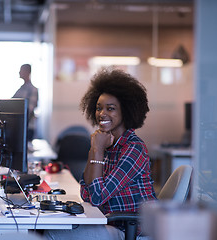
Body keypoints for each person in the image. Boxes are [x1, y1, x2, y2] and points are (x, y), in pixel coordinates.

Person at [44, 68, 156, 240]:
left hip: (132, 230)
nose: (102, 114)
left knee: (51, 234)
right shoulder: (108, 143)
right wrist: (95, 149)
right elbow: (86, 193)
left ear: (125, 111)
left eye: (110, 108)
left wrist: (97, 149)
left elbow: (97, 197)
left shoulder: (133, 149)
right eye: (98, 108)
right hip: (111, 222)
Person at [13, 64, 39, 141]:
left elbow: (29, 110)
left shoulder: (32, 89)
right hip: (19, 126)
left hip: (27, 127)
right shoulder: (21, 88)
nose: (19, 72)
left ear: (27, 72)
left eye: (21, 70)